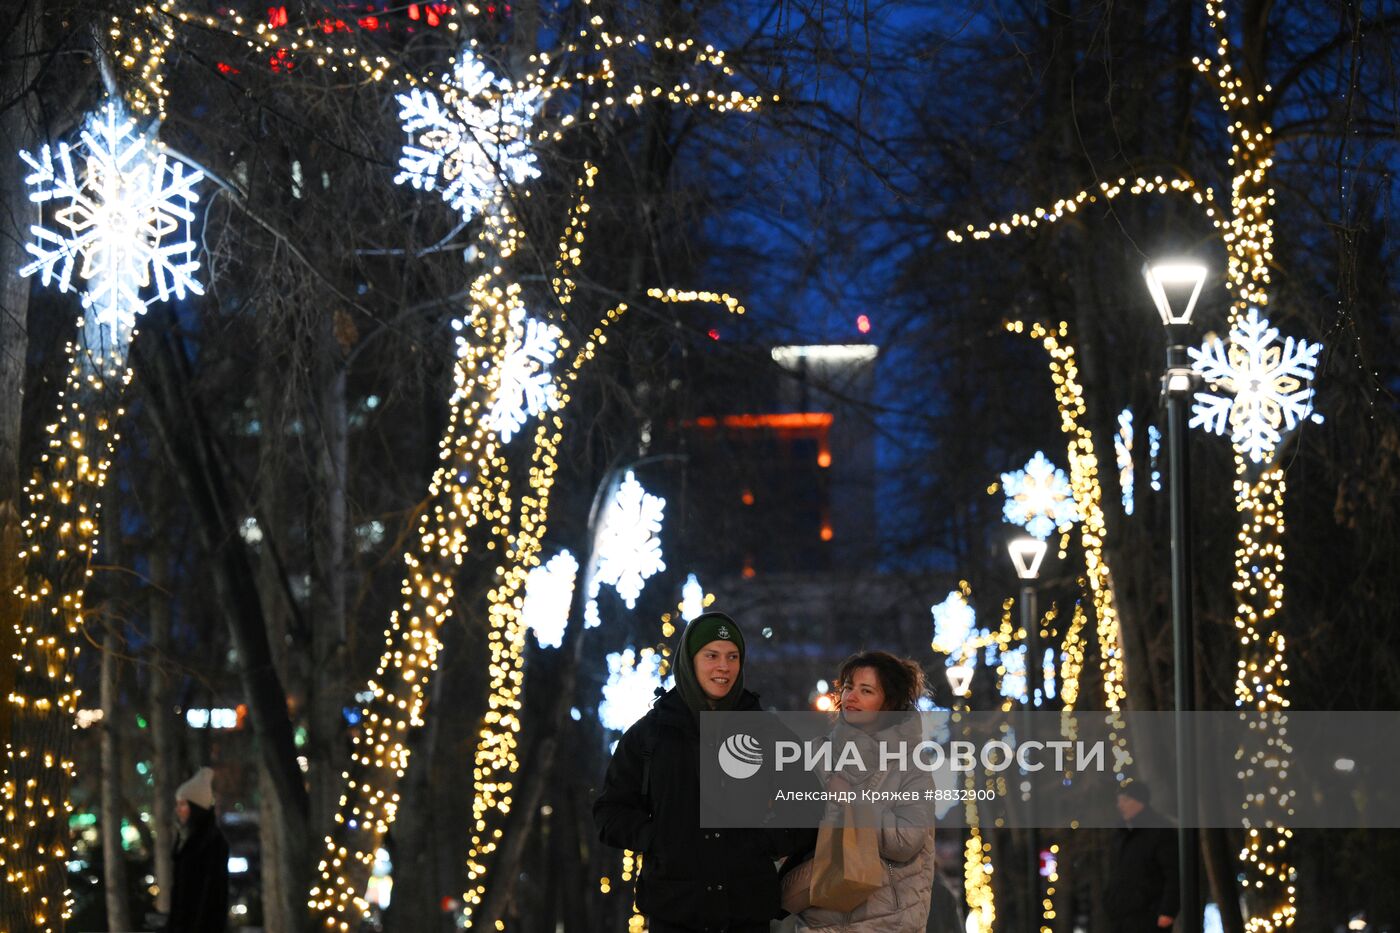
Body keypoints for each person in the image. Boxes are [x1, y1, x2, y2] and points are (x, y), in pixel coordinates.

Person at [594, 611, 814, 933]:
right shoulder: (651, 734)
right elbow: (609, 811)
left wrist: (768, 840)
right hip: (675, 910)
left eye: (732, 656)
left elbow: (808, 800)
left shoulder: (767, 732)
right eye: (711, 655)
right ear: (690, 661)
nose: (723, 666)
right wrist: (657, 837)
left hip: (745, 913)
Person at [793, 650, 936, 932]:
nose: (851, 697)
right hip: (820, 917)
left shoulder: (911, 764)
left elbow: (907, 839)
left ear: (889, 703)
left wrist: (851, 800)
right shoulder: (817, 754)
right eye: (848, 687)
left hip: (887, 922)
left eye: (866, 690)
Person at [1104, 781, 1179, 932]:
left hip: (1148, 916)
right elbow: (1115, 872)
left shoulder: (1159, 831)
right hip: (1122, 916)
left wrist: (1167, 911)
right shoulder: (1121, 834)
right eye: (1119, 801)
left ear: (1140, 801)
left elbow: (1173, 873)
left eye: (1125, 800)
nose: (1120, 805)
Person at [166, 766, 229, 933]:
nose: (178, 809)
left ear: (195, 807)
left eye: (182, 804)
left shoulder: (211, 843)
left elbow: (209, 898)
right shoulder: (188, 839)